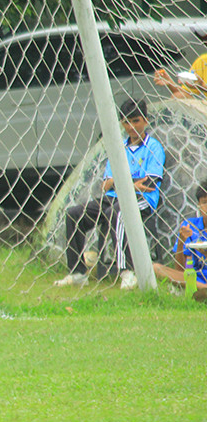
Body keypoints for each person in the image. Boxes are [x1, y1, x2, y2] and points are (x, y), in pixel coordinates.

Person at [55, 98, 165, 290]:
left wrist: (120, 182)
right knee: (74, 214)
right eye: (126, 122)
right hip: (113, 197)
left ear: (146, 120)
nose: (131, 126)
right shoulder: (118, 147)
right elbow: (105, 185)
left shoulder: (154, 147)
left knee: (117, 212)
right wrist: (130, 183)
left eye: (136, 120)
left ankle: (128, 272)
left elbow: (149, 183)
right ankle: (78, 272)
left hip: (143, 200)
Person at [153, 180, 207, 295]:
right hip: (196, 278)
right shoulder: (190, 226)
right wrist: (182, 241)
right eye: (205, 202)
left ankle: (200, 291)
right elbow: (180, 270)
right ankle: (203, 289)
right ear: (198, 205)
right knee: (155, 268)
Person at [154, 29, 207, 99]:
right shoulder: (203, 60)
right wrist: (169, 83)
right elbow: (185, 94)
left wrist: (201, 86)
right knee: (179, 96)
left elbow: (201, 86)